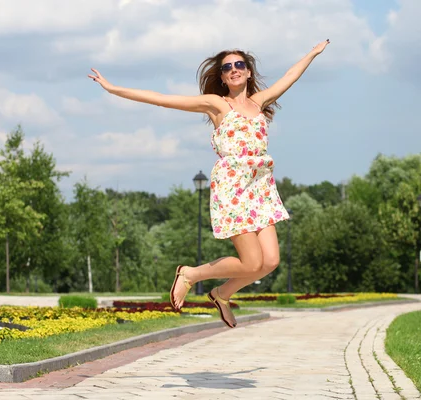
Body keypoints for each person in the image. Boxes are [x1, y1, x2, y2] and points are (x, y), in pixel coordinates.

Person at [88, 39, 330, 328]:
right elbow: (162, 98)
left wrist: (312, 53)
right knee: (252, 263)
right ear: (223, 76)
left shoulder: (259, 102)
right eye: (227, 67)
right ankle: (190, 274)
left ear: (249, 71)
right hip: (234, 187)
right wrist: (114, 88)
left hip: (261, 188)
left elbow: (290, 75)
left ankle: (221, 294)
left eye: (239, 64)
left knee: (270, 262)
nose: (234, 70)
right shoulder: (217, 104)